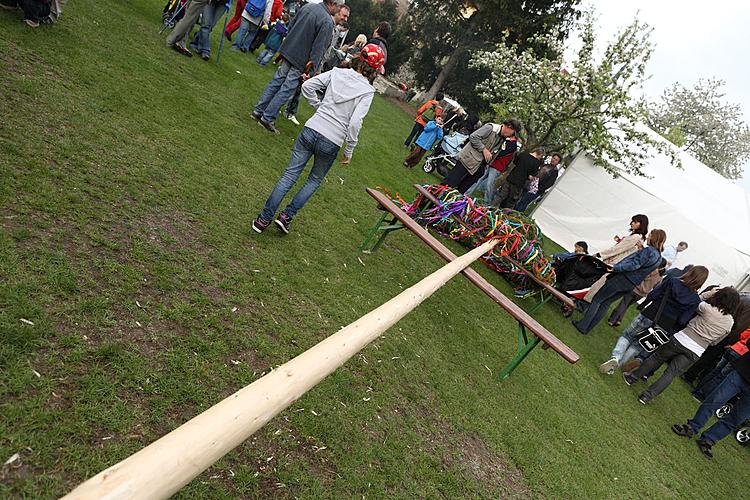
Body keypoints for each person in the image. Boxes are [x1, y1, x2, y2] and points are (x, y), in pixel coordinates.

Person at [251, 44, 385, 234]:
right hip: (332, 140)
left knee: (290, 174)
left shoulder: (337, 72)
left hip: (311, 129)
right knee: (313, 180)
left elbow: (307, 85)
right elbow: (355, 122)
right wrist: (349, 150)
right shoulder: (367, 91)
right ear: (375, 70)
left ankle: (263, 220)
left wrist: (318, 106)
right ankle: (286, 216)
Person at [623, 287, 739, 404]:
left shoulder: (707, 309)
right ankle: (647, 396)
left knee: (656, 358)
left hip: (681, 339)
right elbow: (716, 342)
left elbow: (694, 301)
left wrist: (709, 293)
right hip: (697, 350)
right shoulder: (730, 322)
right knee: (671, 373)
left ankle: (632, 377)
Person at [599, 265, 708, 375]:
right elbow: (682, 320)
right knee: (638, 345)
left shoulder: (672, 281)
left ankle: (616, 357)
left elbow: (653, 295)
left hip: (650, 313)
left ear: (690, 272)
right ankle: (615, 366)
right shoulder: (695, 300)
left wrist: (647, 304)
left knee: (627, 336)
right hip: (664, 325)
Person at [251, 0, 338, 134]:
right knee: (286, 89)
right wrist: (311, 70)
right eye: (337, 7)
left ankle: (259, 111)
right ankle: (267, 118)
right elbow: (318, 49)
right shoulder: (326, 21)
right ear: (332, 3)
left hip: (289, 51)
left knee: (276, 81)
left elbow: (291, 26)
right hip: (301, 60)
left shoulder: (307, 7)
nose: (337, 10)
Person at [572, 229, 666, 335]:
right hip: (631, 284)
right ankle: (586, 328)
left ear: (654, 238)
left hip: (622, 278)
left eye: (650, 235)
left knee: (597, 300)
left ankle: (583, 325)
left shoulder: (649, 251)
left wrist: (615, 268)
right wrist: (641, 250)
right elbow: (643, 265)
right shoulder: (658, 257)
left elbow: (635, 264)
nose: (648, 237)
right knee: (606, 303)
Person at [672, 343, 750, 459]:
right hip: (742, 372)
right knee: (715, 399)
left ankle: (709, 439)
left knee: (736, 419)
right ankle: (692, 427)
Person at [282, 3, 349, 126]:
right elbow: (320, 48)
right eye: (344, 15)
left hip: (311, 61)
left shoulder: (332, 27)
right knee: (296, 87)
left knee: (296, 86)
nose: (345, 19)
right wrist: (315, 67)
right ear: (338, 11)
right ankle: (287, 111)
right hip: (307, 61)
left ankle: (287, 110)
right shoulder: (328, 24)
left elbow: (326, 49)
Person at [577, 214, 650, 310]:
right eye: (632, 221)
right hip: (617, 264)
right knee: (599, 284)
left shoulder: (635, 237)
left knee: (598, 283)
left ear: (641, 224)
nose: (632, 223)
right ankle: (584, 303)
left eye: (635, 222)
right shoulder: (638, 238)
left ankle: (583, 304)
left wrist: (599, 254)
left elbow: (617, 249)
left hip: (614, 264)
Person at [682, 292, 750, 385]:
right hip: (728, 333)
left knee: (708, 354)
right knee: (710, 357)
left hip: (723, 327)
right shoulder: (747, 303)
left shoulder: (743, 296)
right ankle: (690, 375)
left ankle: (690, 373)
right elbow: (741, 326)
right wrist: (732, 342)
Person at [442, 120, 521, 194]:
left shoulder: (503, 139)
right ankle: (432, 203)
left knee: (459, 193)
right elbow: (473, 137)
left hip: (478, 168)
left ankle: (446, 207)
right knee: (448, 185)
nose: (511, 136)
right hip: (467, 161)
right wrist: (483, 149)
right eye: (513, 134)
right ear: (509, 127)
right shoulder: (490, 128)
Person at [606, 258, 667, 328]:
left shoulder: (650, 269)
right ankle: (619, 320)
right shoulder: (660, 277)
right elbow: (656, 288)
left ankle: (612, 320)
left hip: (634, 289)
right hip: (642, 294)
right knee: (627, 305)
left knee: (623, 304)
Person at [693, 326, 750, 400]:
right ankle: (701, 394)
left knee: (715, 371)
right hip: (740, 355)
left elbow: (743, 335)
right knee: (720, 376)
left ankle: (698, 389)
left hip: (734, 348)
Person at [464, 128, 518, 203]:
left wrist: (492, 154)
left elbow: (502, 153)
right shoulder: (506, 140)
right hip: (491, 162)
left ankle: (487, 202)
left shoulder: (513, 145)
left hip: (498, 166)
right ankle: (467, 194)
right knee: (479, 179)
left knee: (489, 184)